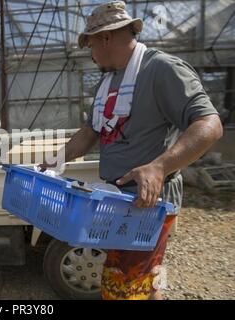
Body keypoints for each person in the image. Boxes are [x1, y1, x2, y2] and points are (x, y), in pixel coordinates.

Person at [40, 1, 223, 300]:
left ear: (106, 38)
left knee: (122, 286)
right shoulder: (110, 80)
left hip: (147, 204)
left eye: (90, 45)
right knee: (144, 280)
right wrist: (56, 160)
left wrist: (159, 166)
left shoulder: (160, 69)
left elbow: (210, 124)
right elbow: (91, 131)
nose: (91, 53)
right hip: (119, 201)